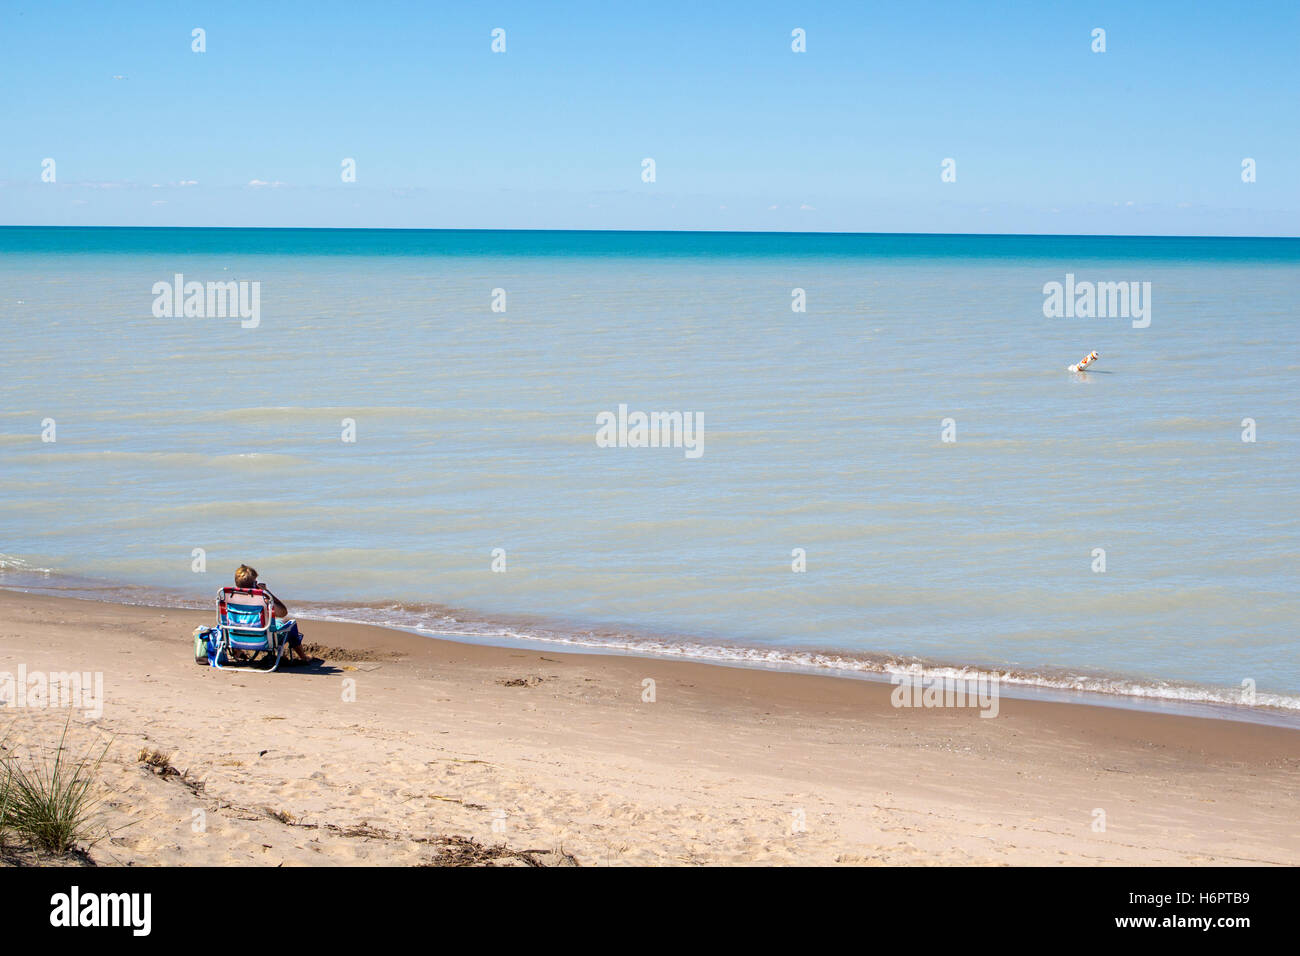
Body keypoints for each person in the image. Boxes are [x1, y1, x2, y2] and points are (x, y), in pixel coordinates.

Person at [233, 564, 314, 664]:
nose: (257, 583)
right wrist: (266, 592)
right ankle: (303, 657)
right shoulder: (262, 598)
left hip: (237, 638)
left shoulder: (230, 597)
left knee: (269, 622)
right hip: (263, 639)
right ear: (254, 584)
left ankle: (238, 651)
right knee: (290, 623)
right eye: (255, 582)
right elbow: (283, 612)